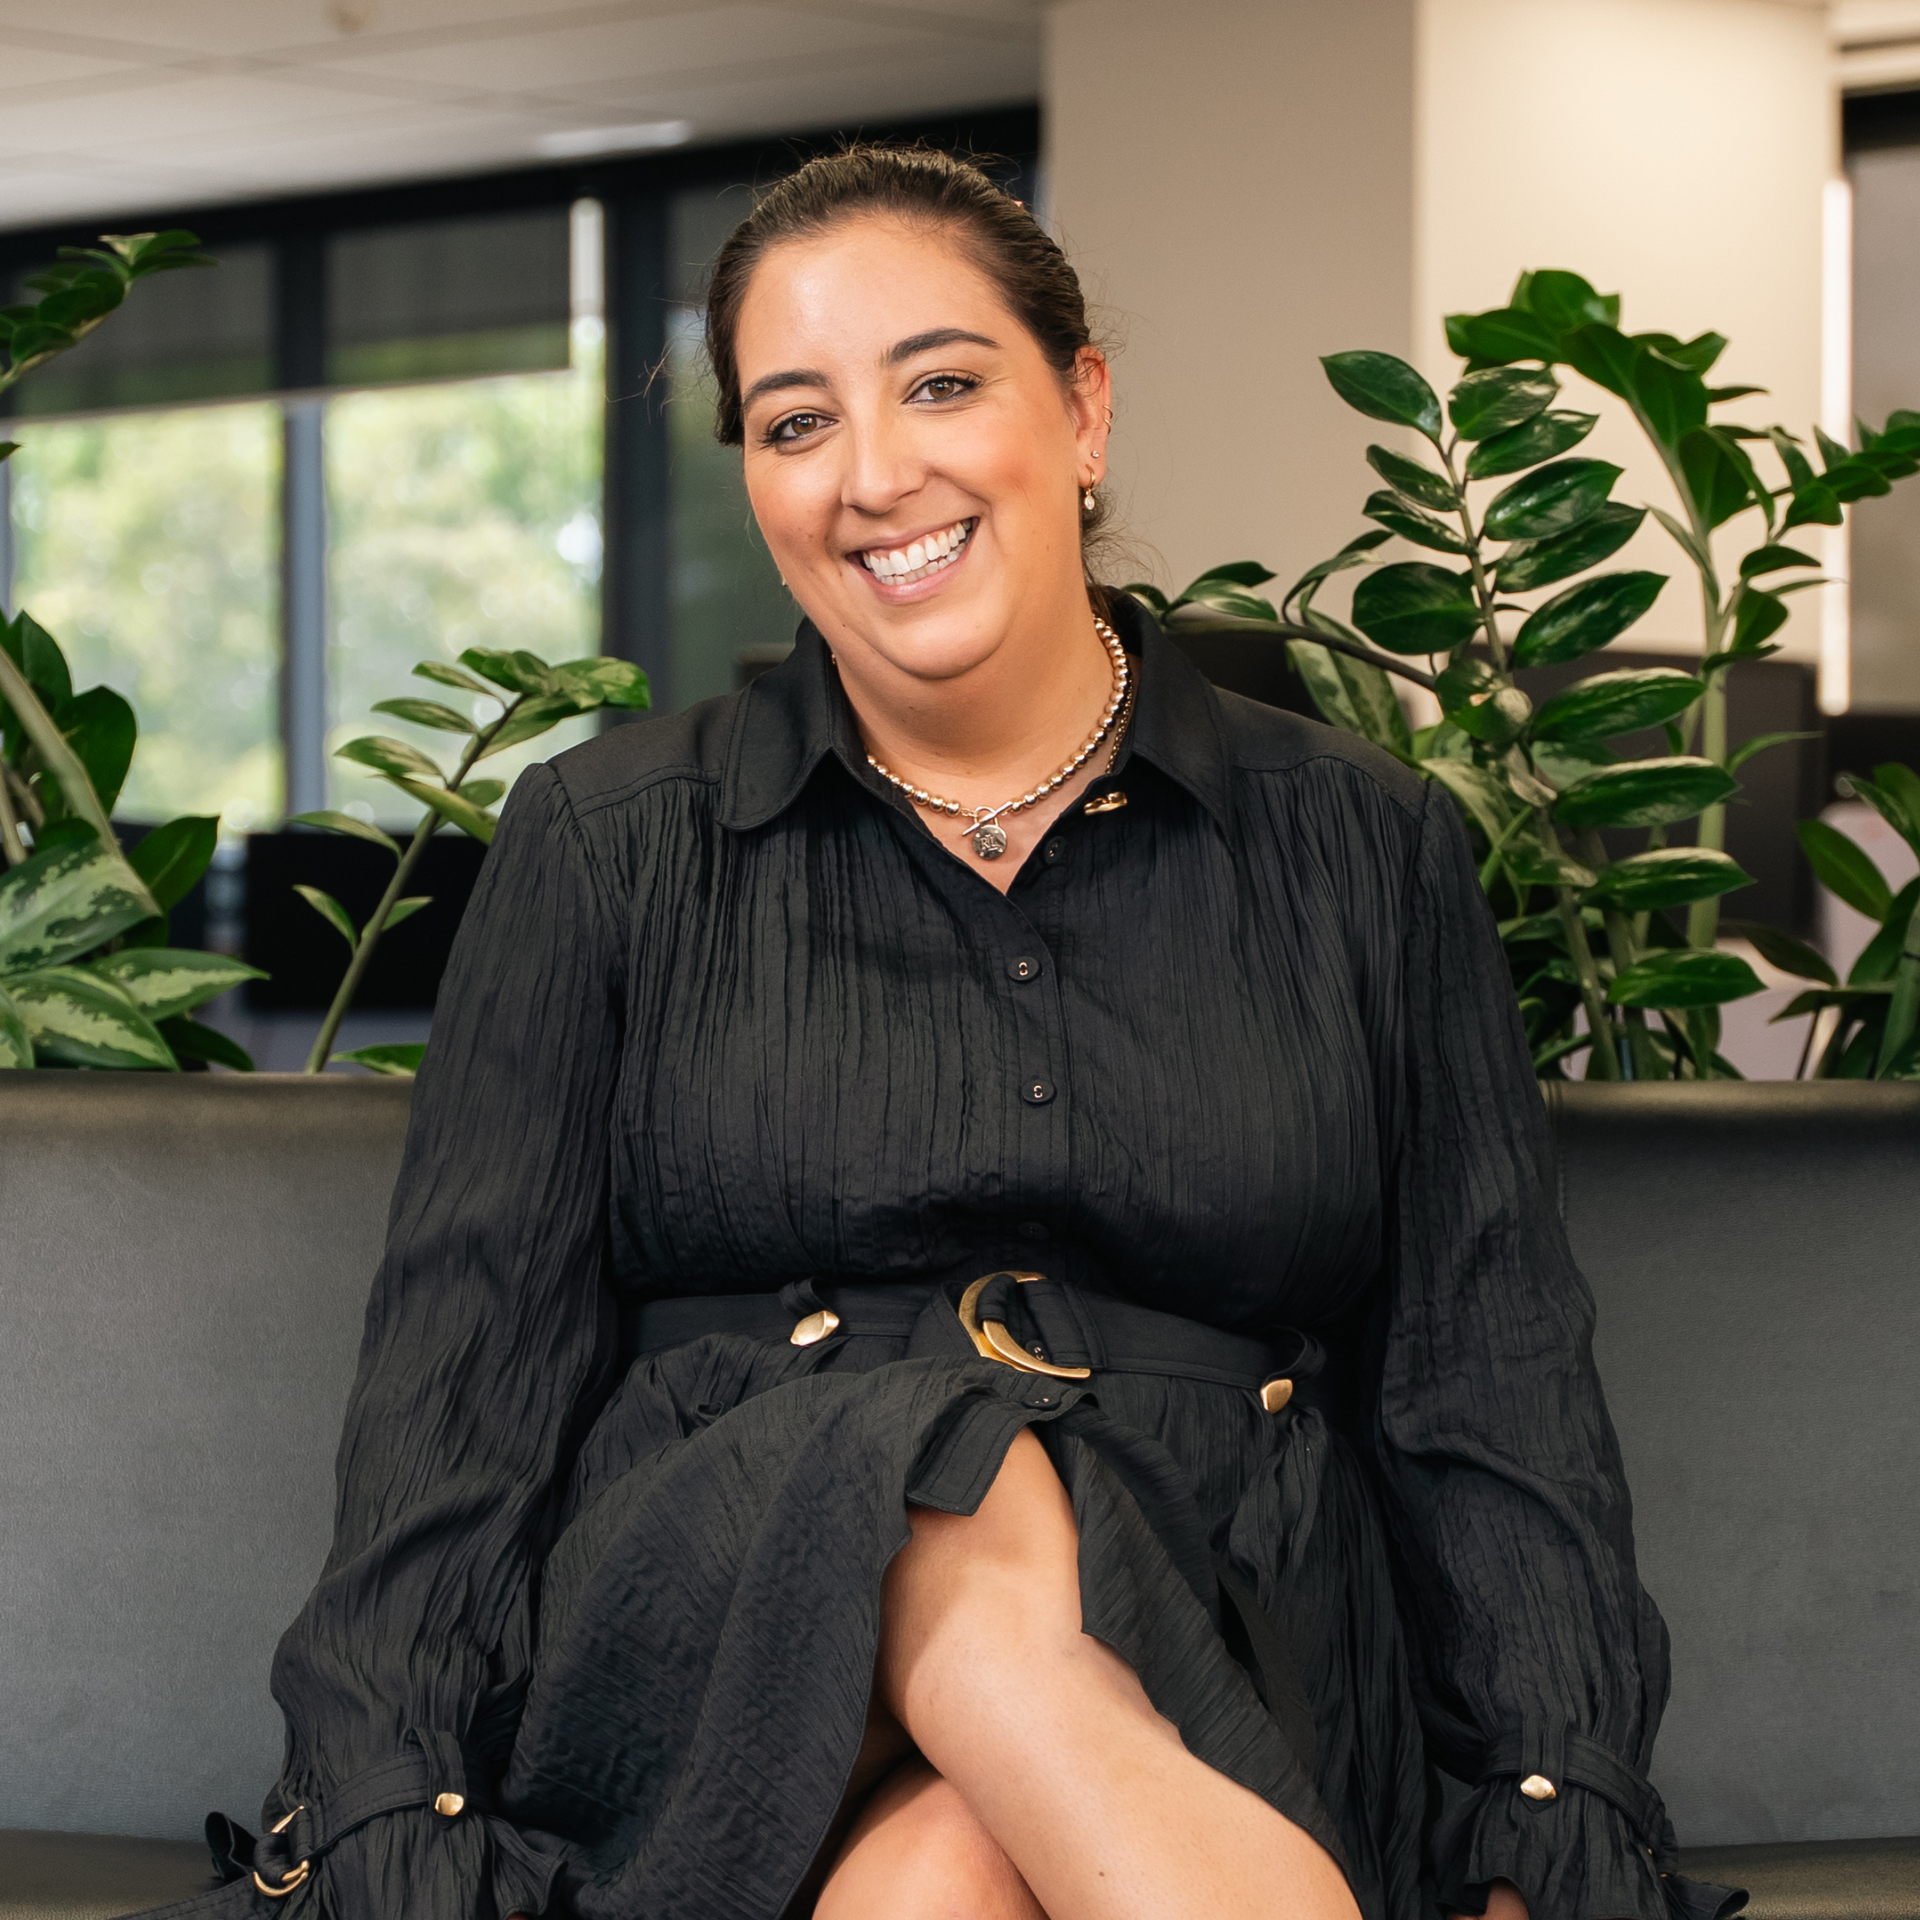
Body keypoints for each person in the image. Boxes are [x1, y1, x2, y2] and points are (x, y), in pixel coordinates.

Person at [141, 147, 1741, 1920]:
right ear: (751, 474)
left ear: (1082, 410)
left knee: (955, 1866)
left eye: (944, 385)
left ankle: (1035, 1738)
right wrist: (389, 1811)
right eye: (796, 422)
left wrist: (1548, 1812)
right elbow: (460, 1389)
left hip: (1244, 1622)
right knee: (933, 1479)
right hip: (713, 1637)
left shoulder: (1366, 844)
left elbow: (1487, 1383)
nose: (875, 474)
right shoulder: (608, 844)